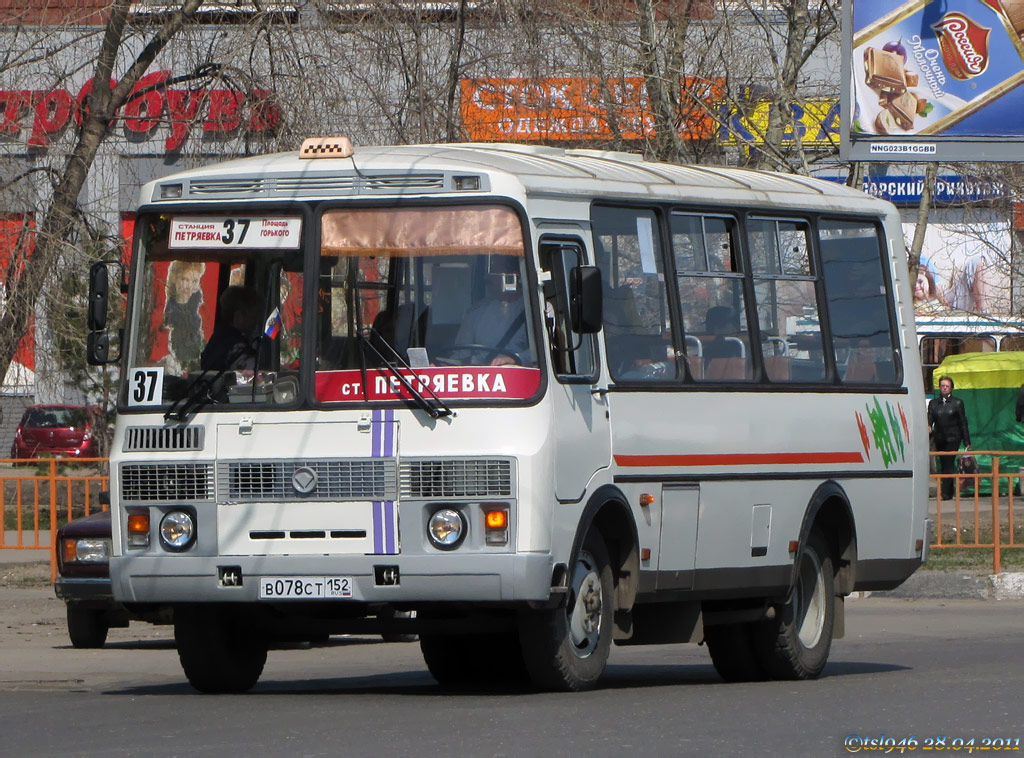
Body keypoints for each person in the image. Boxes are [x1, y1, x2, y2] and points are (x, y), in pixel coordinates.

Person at [452, 255, 533, 366]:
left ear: (513, 276)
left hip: (519, 377)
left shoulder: (534, 309)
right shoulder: (476, 313)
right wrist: (439, 367)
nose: (488, 278)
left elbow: (544, 353)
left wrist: (515, 359)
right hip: (480, 377)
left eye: (495, 271)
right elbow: (459, 357)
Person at [928, 375, 971, 500]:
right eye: (942, 386)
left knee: (948, 464)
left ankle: (946, 493)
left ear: (951, 388)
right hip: (939, 438)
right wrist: (929, 425)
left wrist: (966, 440)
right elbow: (930, 417)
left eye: (947, 386)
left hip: (953, 438)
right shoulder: (934, 403)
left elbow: (963, 422)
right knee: (943, 463)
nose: (944, 388)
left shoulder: (957, 403)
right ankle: (948, 490)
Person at [200, 285, 263, 370]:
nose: (255, 322)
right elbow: (254, 370)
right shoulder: (236, 346)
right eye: (253, 317)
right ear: (239, 318)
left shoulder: (218, 337)